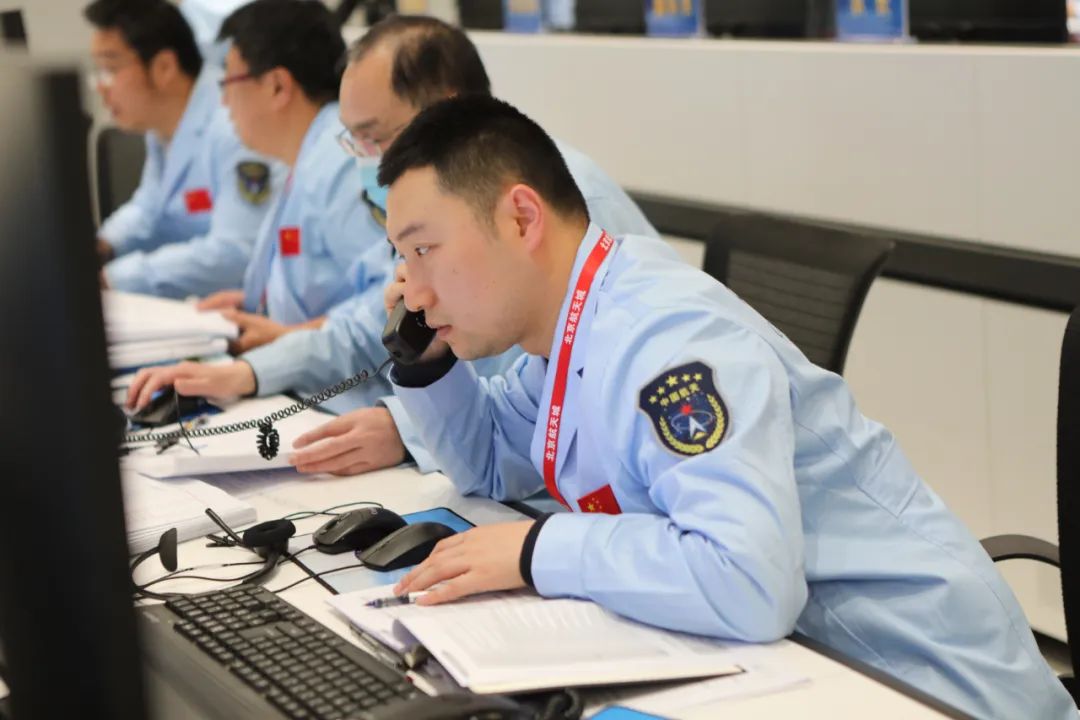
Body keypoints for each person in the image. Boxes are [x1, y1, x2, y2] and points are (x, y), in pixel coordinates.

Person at [376, 95, 1075, 720]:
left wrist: (539, 550)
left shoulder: (666, 340)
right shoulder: (569, 328)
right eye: (404, 260)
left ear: (522, 217)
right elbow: (488, 462)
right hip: (800, 664)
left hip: (924, 682)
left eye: (425, 250)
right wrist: (424, 361)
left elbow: (747, 580)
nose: (416, 290)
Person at [130, 16, 664, 469]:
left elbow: (529, 405)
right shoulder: (434, 205)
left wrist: (408, 432)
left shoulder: (547, 201)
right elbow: (375, 318)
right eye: (354, 140)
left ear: (444, 113)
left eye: (375, 136)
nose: (366, 160)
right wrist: (251, 371)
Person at [125, 0, 394, 412]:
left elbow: (391, 302)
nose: (223, 103)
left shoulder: (340, 165)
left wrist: (292, 337)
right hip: (311, 385)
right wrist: (256, 301)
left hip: (352, 402)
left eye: (229, 81)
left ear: (277, 87)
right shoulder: (308, 155)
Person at [87, 0, 280, 298]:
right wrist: (103, 245)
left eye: (111, 69)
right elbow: (150, 208)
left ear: (164, 67)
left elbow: (235, 252)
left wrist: (115, 278)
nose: (101, 86)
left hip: (243, 306)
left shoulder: (233, 125)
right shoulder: (163, 126)